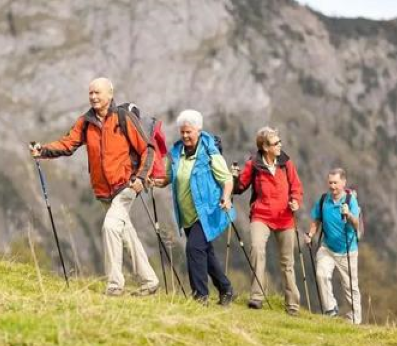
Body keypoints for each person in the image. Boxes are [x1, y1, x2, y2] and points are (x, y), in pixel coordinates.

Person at [30, 77, 159, 296]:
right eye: (90, 93)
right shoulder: (85, 122)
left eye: (97, 93)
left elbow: (148, 148)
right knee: (125, 232)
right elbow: (68, 143)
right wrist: (43, 150)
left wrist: (140, 178)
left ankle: (114, 286)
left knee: (110, 227)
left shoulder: (123, 118)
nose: (93, 97)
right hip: (103, 191)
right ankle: (149, 281)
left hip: (126, 186)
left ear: (110, 94)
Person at [154, 110, 236, 305]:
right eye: (182, 132)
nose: (184, 136)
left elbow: (226, 178)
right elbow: (169, 177)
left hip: (207, 211)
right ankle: (226, 288)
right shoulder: (176, 153)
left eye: (188, 132)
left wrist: (226, 198)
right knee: (205, 253)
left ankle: (200, 297)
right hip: (187, 213)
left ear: (199, 130)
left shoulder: (209, 152)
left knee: (194, 249)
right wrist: (154, 181)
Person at [233, 127, 303, 315]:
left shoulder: (286, 163)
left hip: (285, 217)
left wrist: (295, 201)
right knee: (257, 249)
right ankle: (256, 297)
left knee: (287, 262)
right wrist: (233, 178)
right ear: (265, 147)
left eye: (280, 142)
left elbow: (296, 187)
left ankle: (292, 305)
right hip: (261, 215)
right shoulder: (254, 165)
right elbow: (240, 187)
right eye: (275, 143)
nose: (280, 146)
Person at [305, 168, 362, 324]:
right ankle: (330, 309)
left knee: (350, 287)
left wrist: (348, 214)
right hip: (327, 248)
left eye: (336, 183)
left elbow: (356, 224)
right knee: (321, 274)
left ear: (343, 183)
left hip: (347, 251)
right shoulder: (324, 200)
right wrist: (310, 234)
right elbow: (316, 220)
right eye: (330, 183)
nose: (332, 186)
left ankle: (355, 320)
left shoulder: (351, 201)